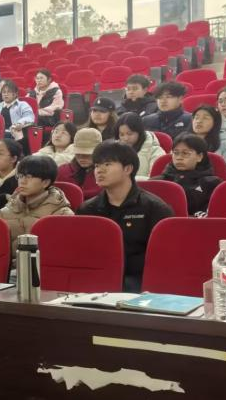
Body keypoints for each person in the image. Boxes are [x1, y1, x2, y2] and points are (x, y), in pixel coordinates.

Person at [77, 141, 174, 292]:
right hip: (97, 278)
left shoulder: (155, 208)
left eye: (107, 164)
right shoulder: (87, 209)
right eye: (96, 165)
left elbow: (164, 258)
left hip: (139, 280)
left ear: (128, 169)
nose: (99, 170)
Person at [0, 154, 74, 249]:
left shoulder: (62, 214)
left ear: (45, 182)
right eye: (20, 176)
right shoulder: (6, 210)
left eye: (29, 177)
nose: (22, 181)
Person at [152, 134, 222, 217]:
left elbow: (212, 215)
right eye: (176, 153)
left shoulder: (211, 183)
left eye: (185, 153)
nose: (179, 157)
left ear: (199, 157)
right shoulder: (158, 182)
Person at [191, 104, 226, 180]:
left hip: (219, 184)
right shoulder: (184, 142)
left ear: (215, 122)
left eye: (205, 118)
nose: (199, 121)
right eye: (196, 117)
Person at [114, 112, 165, 180]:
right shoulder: (114, 150)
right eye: (122, 135)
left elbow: (154, 180)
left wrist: (126, 180)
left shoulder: (155, 151)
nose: (126, 138)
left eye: (130, 134)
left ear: (139, 132)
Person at [56, 127, 103, 199]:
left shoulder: (107, 173)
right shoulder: (62, 172)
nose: (82, 157)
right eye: (78, 153)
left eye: (87, 154)